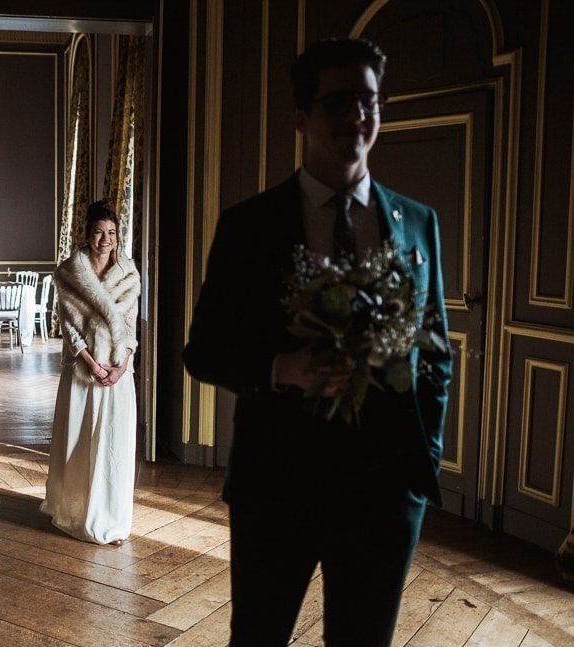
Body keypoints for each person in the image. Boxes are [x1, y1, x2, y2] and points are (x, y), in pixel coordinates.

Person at [182, 38, 453, 646]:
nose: (357, 116)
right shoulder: (248, 227)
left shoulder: (419, 224)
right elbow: (203, 351)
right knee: (259, 636)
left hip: (385, 496)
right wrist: (284, 366)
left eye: (369, 100)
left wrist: (421, 463)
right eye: (338, 103)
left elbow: (436, 351)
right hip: (278, 487)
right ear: (302, 118)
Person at [40, 199, 141, 546]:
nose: (105, 239)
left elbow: (130, 328)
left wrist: (121, 365)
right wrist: (93, 364)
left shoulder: (129, 275)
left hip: (117, 374)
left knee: (113, 446)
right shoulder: (69, 273)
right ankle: (76, 511)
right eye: (99, 232)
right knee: (80, 444)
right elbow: (69, 329)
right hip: (84, 372)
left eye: (111, 233)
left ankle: (111, 516)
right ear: (87, 235)